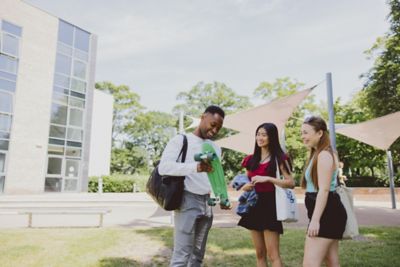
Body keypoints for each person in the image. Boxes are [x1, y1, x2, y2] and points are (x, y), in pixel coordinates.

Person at [158, 105, 225, 267]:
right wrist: (195, 167)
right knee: (182, 256)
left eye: (219, 127)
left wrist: (222, 196)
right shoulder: (181, 140)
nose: (215, 130)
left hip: (207, 203)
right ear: (202, 117)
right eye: (212, 124)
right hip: (187, 200)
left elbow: (216, 176)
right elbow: (164, 167)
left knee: (197, 257)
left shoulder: (215, 147)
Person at [238, 123, 295, 267]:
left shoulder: (280, 158)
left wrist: (268, 179)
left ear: (272, 137)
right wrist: (245, 186)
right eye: (258, 134)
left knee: (273, 254)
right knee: (260, 253)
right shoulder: (251, 159)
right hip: (254, 205)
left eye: (264, 135)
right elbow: (246, 180)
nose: (260, 138)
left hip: (270, 206)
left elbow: (291, 183)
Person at [300, 116, 347, 267]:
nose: (303, 137)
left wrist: (315, 220)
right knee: (332, 262)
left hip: (327, 214)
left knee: (309, 264)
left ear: (319, 133)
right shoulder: (318, 154)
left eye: (306, 133)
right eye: (302, 133)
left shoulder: (324, 155)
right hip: (326, 213)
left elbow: (324, 190)